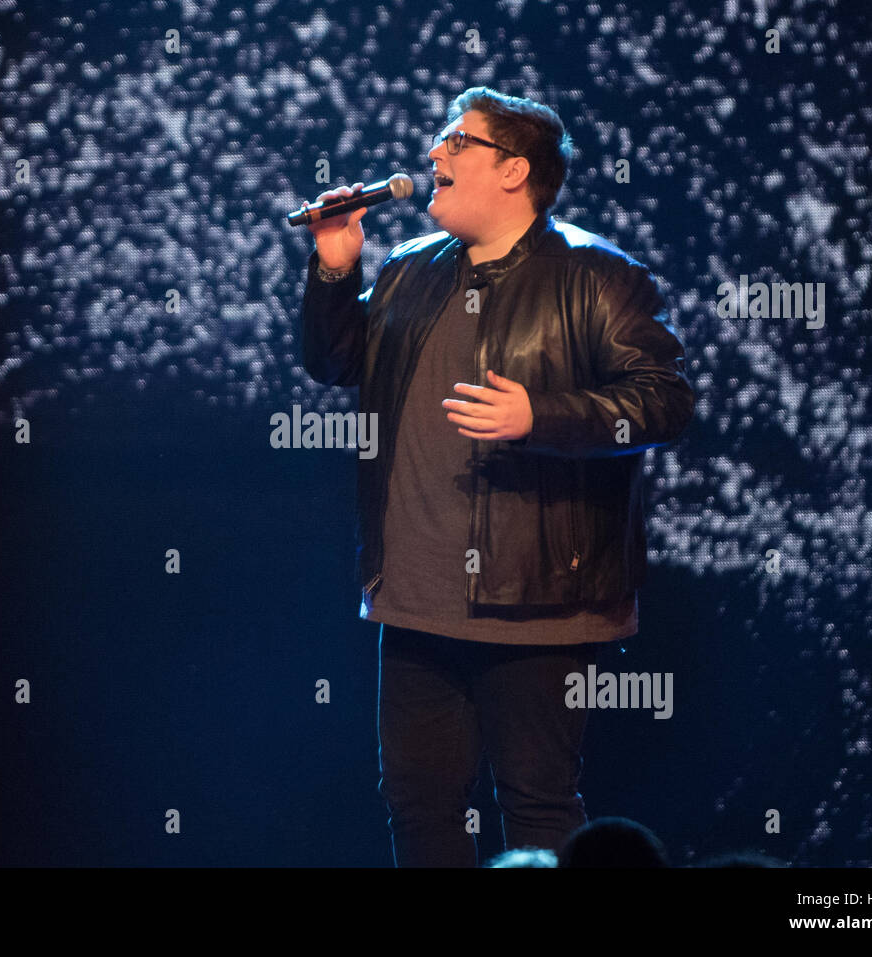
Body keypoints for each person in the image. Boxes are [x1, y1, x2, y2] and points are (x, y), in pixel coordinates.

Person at [298, 86, 695, 867]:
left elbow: (665, 401)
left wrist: (541, 417)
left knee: (538, 804)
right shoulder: (413, 270)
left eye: (457, 141)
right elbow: (334, 362)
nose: (435, 155)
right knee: (418, 805)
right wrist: (336, 271)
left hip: (540, 599)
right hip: (416, 598)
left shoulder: (595, 275)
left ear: (514, 170)